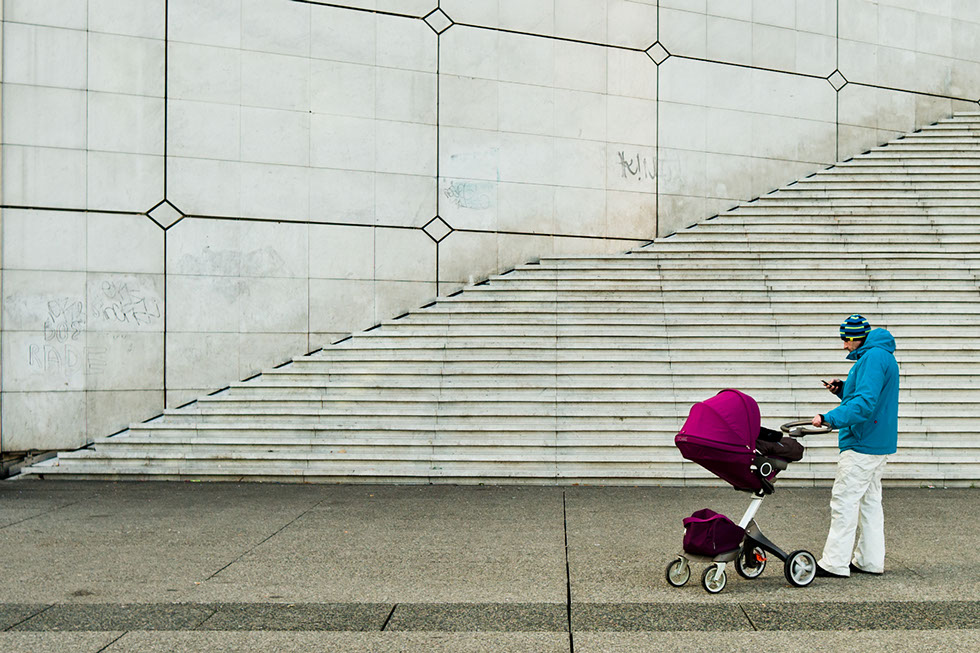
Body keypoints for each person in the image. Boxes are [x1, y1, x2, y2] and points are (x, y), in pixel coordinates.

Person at [810, 314, 899, 578]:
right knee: (870, 503)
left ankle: (834, 563)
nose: (844, 345)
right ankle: (869, 561)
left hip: (862, 441)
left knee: (844, 501)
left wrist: (829, 417)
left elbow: (864, 403)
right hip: (877, 441)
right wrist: (842, 389)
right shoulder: (882, 356)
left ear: (855, 337)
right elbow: (867, 393)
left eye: (845, 340)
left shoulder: (872, 358)